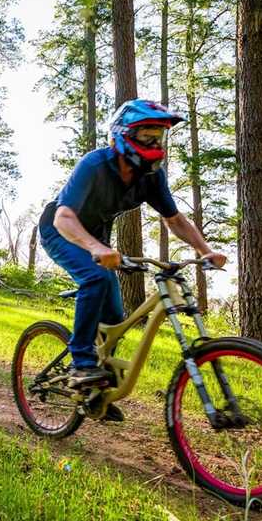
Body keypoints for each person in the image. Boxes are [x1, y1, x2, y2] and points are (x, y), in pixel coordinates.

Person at [38, 98, 227, 420]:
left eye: (159, 136)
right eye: (146, 135)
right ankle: (81, 362)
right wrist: (96, 249)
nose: (154, 143)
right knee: (95, 279)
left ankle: (97, 392)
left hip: (98, 239)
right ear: (124, 135)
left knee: (114, 318)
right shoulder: (94, 165)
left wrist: (204, 250)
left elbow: (175, 219)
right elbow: (64, 217)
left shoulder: (151, 178)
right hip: (62, 232)